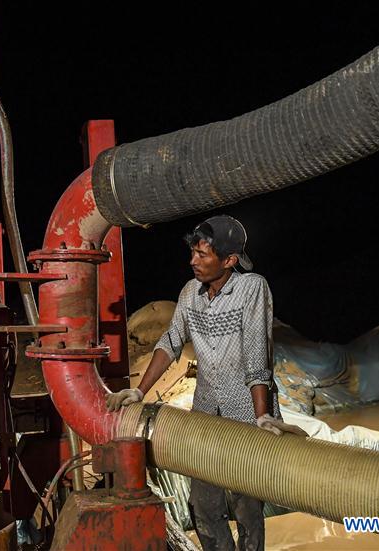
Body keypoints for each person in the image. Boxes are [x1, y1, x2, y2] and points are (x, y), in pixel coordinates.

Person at [105, 215, 305, 551]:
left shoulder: (251, 287)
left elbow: (257, 353)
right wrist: (139, 391)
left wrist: (263, 415)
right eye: (193, 253)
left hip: (246, 412)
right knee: (204, 505)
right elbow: (170, 341)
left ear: (229, 260)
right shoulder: (190, 293)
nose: (192, 261)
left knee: (246, 504)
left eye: (202, 255)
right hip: (205, 411)